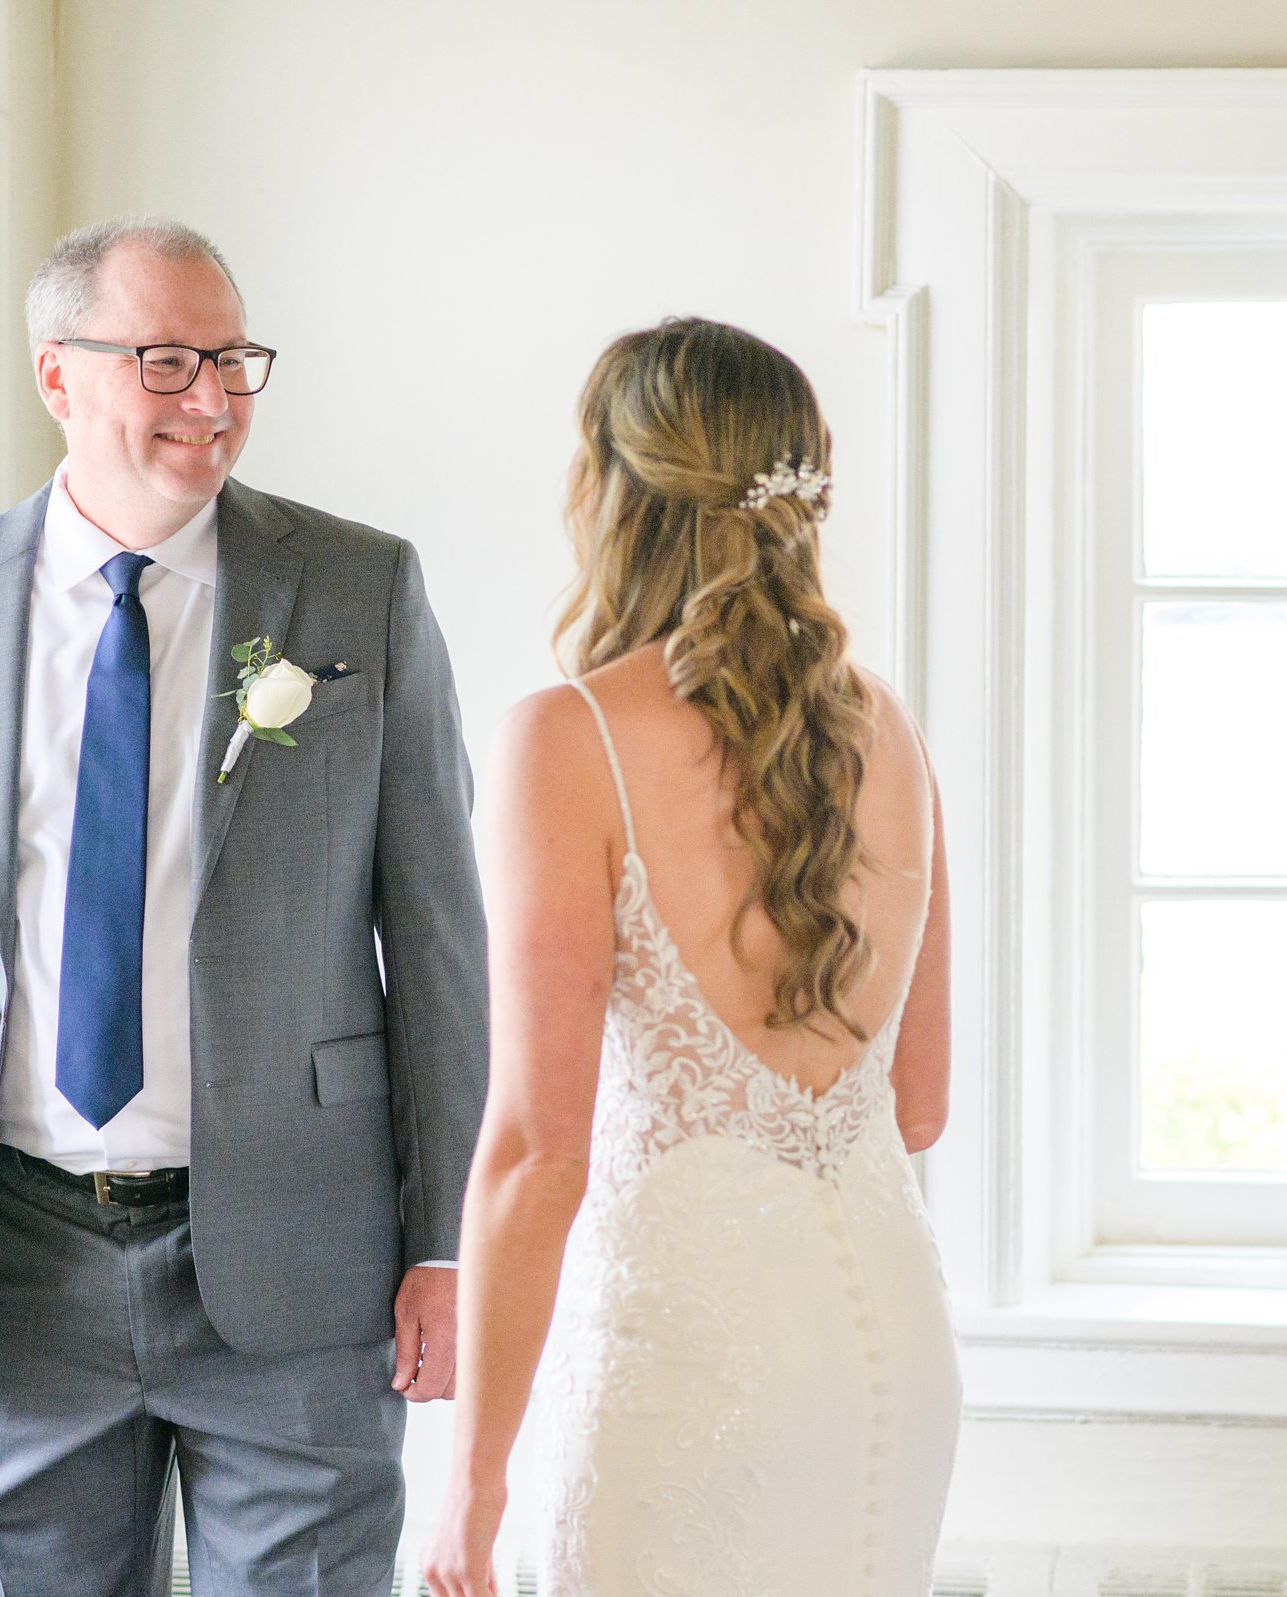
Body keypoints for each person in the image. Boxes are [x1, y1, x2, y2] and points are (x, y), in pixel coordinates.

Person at [0, 216, 488, 1597]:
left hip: (294, 1249)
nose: (213, 399)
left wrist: (444, 1236)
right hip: (13, 1252)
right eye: (166, 360)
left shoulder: (358, 590)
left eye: (233, 359)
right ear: (57, 377)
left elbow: (438, 943)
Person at [423, 317, 962, 1595]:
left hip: (686, 1362)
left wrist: (470, 1482)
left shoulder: (567, 740)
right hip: (889, 1357)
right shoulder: (888, 729)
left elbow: (534, 1152)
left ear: (611, 488)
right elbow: (920, 1106)